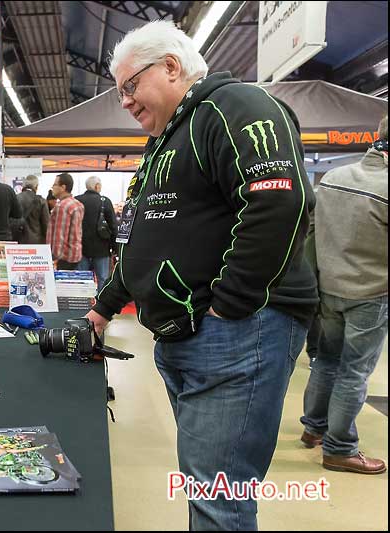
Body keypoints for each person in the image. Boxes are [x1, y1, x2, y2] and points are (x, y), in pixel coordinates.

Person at [85, 21, 317, 530]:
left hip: (236, 332)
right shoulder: (169, 137)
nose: (124, 101)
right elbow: (147, 235)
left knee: (218, 494)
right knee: (206, 485)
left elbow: (279, 203)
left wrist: (228, 305)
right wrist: (105, 304)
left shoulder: (236, 108)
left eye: (129, 86)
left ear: (171, 66)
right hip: (189, 334)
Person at [299, 115, 388, 475]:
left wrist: (316, 282)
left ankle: (313, 428)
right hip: (372, 293)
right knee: (354, 371)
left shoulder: (332, 179)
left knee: (327, 361)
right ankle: (340, 449)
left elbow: (311, 237)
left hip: (328, 288)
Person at [75, 176, 117, 289]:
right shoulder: (105, 201)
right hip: (101, 248)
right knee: (102, 279)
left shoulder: (76, 200)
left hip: (80, 248)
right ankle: (100, 304)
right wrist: (115, 248)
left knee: (81, 279)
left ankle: (83, 304)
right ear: (97, 186)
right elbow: (113, 226)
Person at [46, 172, 84, 270]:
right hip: (75, 254)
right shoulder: (78, 204)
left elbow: (60, 236)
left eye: (54, 185)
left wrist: (55, 258)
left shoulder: (62, 206)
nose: (52, 187)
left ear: (63, 187)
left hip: (63, 258)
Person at [13, 174, 49, 244]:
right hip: (36, 243)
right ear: (36, 187)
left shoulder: (15, 199)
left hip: (18, 242)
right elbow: (46, 225)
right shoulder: (41, 201)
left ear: (23, 186)